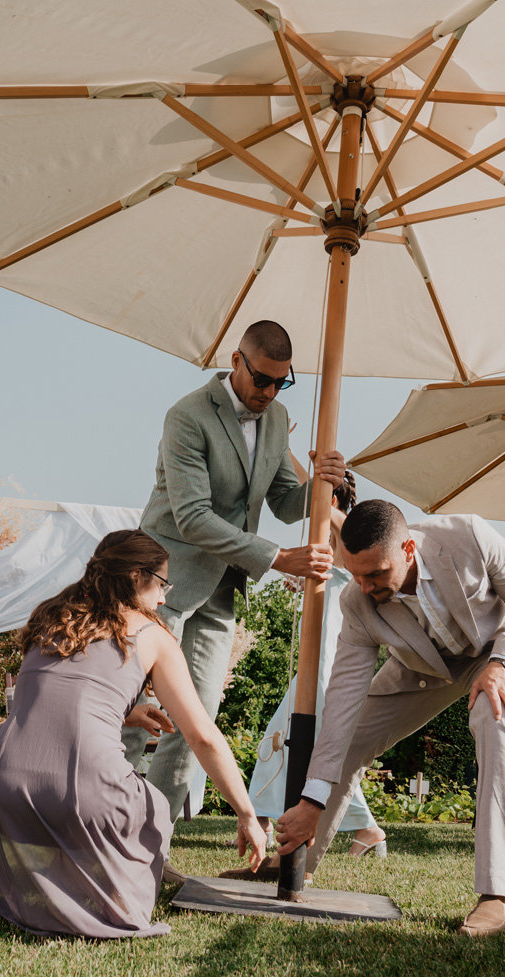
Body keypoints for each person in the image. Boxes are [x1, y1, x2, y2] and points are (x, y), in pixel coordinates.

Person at [0, 530, 265, 937]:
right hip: (84, 797)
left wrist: (125, 713)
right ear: (137, 577)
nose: (164, 598)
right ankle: (113, 900)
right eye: (163, 584)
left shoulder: (53, 616)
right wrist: (247, 814)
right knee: (152, 804)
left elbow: (52, 701)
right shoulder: (153, 636)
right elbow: (203, 736)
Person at [273, 500, 505, 937]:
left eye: (375, 574)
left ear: (407, 547)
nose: (364, 586)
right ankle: (296, 867)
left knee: (493, 718)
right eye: (356, 574)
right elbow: (342, 705)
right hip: (424, 669)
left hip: (500, 654)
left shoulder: (469, 536)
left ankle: (497, 898)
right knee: (350, 737)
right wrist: (311, 800)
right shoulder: (358, 603)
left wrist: (503, 664)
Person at [124, 319, 345, 819]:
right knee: (132, 718)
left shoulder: (276, 417)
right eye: (262, 379)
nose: (270, 392)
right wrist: (277, 557)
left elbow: (288, 502)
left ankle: (150, 843)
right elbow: (193, 518)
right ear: (236, 361)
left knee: (193, 721)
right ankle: (91, 833)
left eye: (281, 381)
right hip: (161, 584)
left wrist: (323, 484)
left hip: (222, 589)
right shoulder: (187, 416)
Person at [243, 469, 386, 856]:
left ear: (331, 502)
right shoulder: (327, 543)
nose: (305, 509)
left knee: (293, 737)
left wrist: (302, 461)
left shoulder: (347, 537)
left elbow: (322, 492)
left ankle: (261, 818)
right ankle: (263, 819)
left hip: (332, 657)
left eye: (314, 501)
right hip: (315, 652)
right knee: (289, 740)